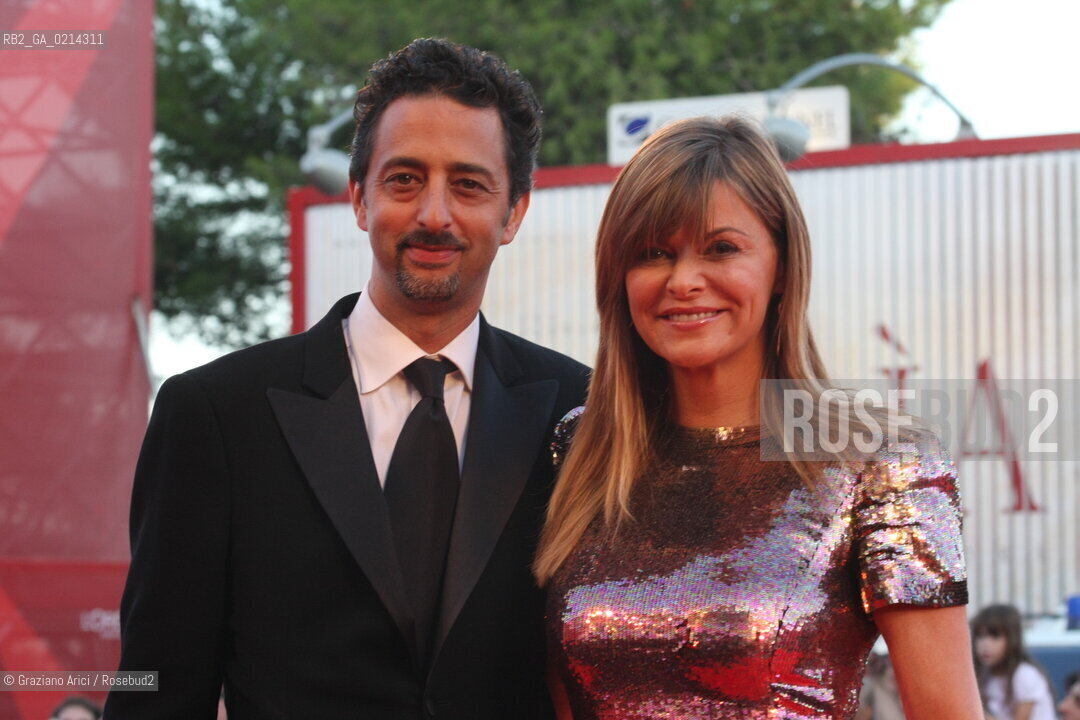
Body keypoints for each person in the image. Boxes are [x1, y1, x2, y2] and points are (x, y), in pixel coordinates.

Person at [104, 38, 588, 720]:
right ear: (359, 199)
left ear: (514, 213)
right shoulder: (214, 415)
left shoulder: (582, 413)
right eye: (405, 179)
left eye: (469, 184)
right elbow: (154, 687)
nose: (434, 215)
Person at [534, 116, 983, 719]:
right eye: (652, 253)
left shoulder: (879, 462)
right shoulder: (578, 449)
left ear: (781, 266)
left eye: (721, 248)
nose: (684, 280)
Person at [971, 604, 1056, 720]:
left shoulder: (1025, 675)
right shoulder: (986, 676)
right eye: (980, 636)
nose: (985, 645)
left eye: (995, 636)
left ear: (1012, 639)